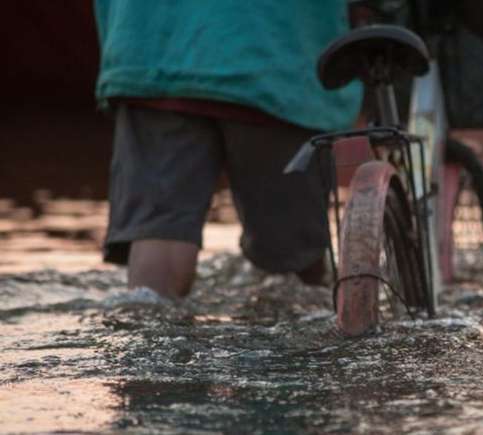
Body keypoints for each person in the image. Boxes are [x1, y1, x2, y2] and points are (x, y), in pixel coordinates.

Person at [94, 0, 362, 301]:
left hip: (151, 52)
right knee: (293, 264)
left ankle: (146, 317)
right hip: (276, 59)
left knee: (159, 237)